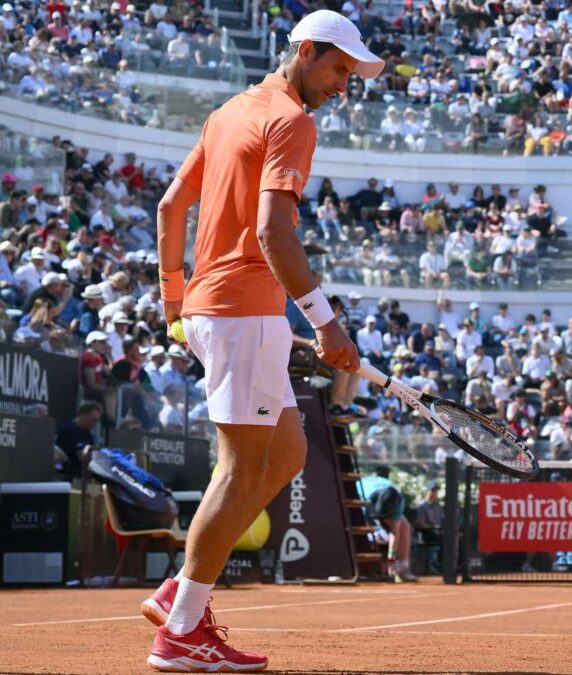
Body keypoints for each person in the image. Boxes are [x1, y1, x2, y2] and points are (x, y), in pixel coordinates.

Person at [142, 10, 377, 671]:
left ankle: (178, 592)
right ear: (305, 52)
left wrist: (173, 306)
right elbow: (275, 234)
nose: (343, 86)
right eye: (338, 69)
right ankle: (182, 631)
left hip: (222, 311)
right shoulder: (292, 122)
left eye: (351, 76)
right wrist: (326, 322)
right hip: (244, 312)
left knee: (287, 455)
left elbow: (169, 209)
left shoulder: (228, 113)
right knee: (243, 468)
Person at [359, 467, 418, 583]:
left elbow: (395, 531)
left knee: (405, 526)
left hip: (379, 497)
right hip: (365, 500)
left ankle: (403, 568)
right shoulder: (363, 498)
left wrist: (391, 559)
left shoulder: (398, 499)